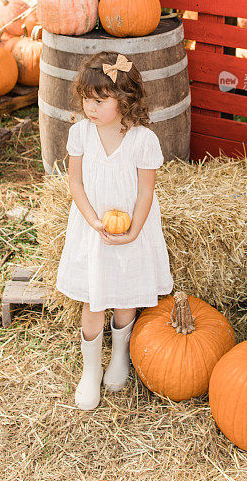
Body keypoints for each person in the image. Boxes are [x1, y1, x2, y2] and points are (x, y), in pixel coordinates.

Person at [56, 51, 173, 410]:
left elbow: (146, 192)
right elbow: (75, 183)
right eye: (87, 101)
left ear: (124, 100)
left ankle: (120, 355)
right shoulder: (81, 134)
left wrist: (135, 231)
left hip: (131, 231)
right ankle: (90, 371)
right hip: (94, 229)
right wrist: (93, 220)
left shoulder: (143, 141)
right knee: (93, 301)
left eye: (100, 101)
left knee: (124, 298)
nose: (91, 109)